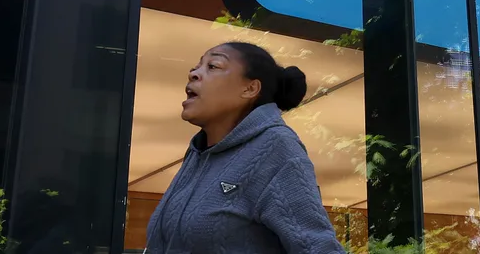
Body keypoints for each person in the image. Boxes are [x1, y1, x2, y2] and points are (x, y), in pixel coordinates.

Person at [145, 42, 344, 253]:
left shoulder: (276, 147)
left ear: (250, 89)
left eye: (213, 66)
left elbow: (317, 247)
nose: (193, 73)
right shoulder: (198, 151)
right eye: (196, 66)